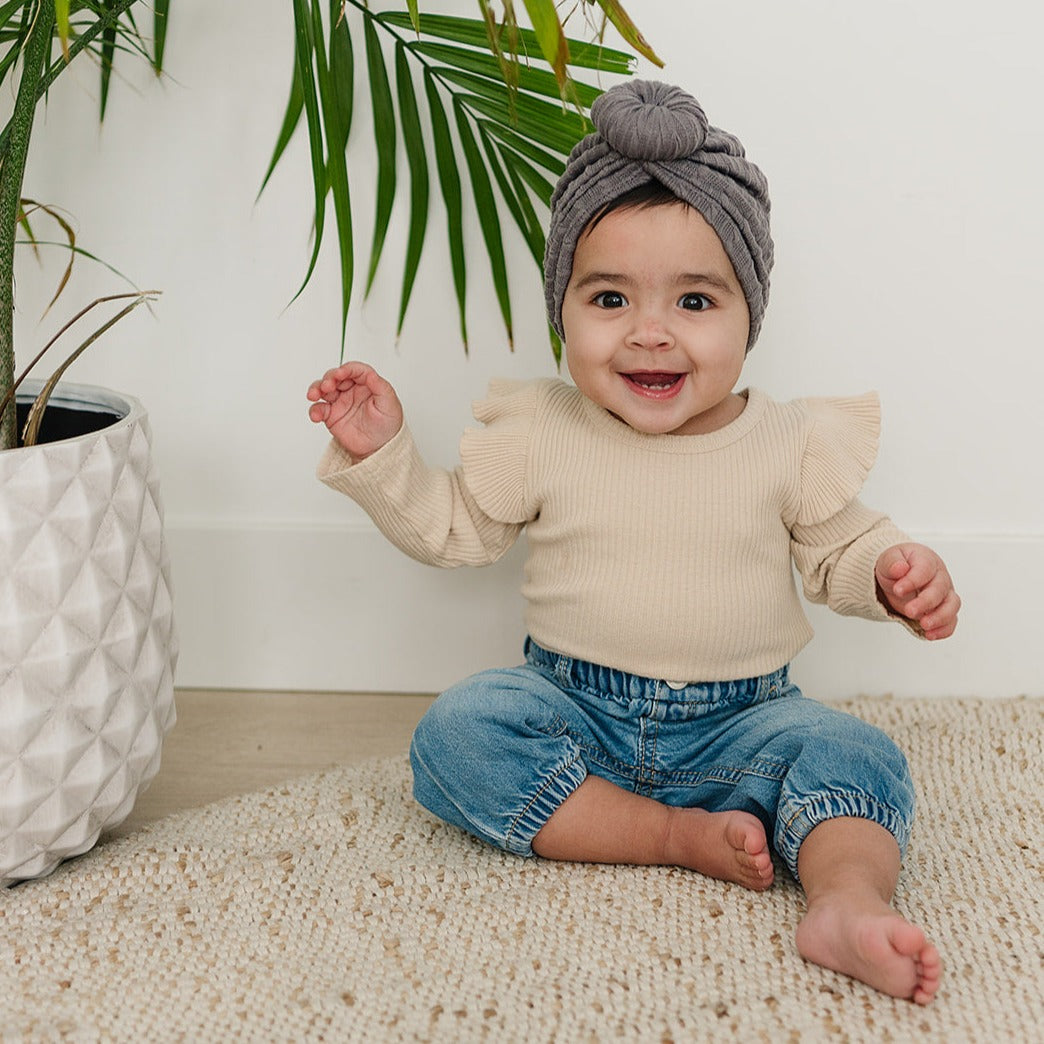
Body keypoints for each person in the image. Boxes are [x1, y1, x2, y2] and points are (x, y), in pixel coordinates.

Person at [306, 80, 958, 1005]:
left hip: (745, 726)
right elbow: (455, 531)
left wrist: (894, 575)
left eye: (695, 301)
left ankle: (845, 903)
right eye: (610, 297)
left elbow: (837, 546)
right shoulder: (546, 429)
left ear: (748, 316)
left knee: (856, 755)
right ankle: (667, 835)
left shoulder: (784, 439)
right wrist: (383, 457)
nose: (650, 333)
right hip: (575, 714)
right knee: (460, 732)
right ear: (562, 310)